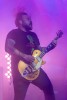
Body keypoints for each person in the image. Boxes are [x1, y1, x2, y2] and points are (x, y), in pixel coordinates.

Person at [5, 12, 57, 100]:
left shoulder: (33, 35)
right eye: (28, 19)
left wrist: (51, 46)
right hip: (20, 72)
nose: (30, 21)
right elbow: (8, 47)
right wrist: (24, 56)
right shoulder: (14, 33)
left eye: (30, 19)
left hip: (35, 69)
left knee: (49, 89)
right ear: (20, 21)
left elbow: (39, 50)